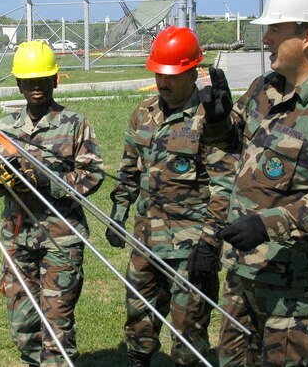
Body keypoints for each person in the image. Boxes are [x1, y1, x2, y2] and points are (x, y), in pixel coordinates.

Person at [200, 0, 308, 366]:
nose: (267, 38)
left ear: (306, 36)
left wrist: (266, 224)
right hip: (242, 273)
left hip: (291, 286)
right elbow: (230, 145)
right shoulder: (264, 88)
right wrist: (219, 120)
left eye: (275, 28)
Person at [107, 26, 237, 367]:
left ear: (193, 71)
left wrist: (210, 245)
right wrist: (118, 212)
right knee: (138, 321)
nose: (164, 82)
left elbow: (225, 185)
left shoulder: (213, 118)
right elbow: (128, 169)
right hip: (146, 240)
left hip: (190, 249)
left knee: (188, 331)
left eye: (172, 75)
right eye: (158, 74)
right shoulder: (144, 113)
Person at [0, 40, 105, 366]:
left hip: (60, 240)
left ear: (55, 80)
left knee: (56, 324)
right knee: (23, 324)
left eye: (42, 79)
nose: (36, 87)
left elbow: (92, 176)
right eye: (29, 80)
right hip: (17, 239)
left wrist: (47, 182)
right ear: (19, 84)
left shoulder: (74, 124)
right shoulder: (4, 128)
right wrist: (0, 181)